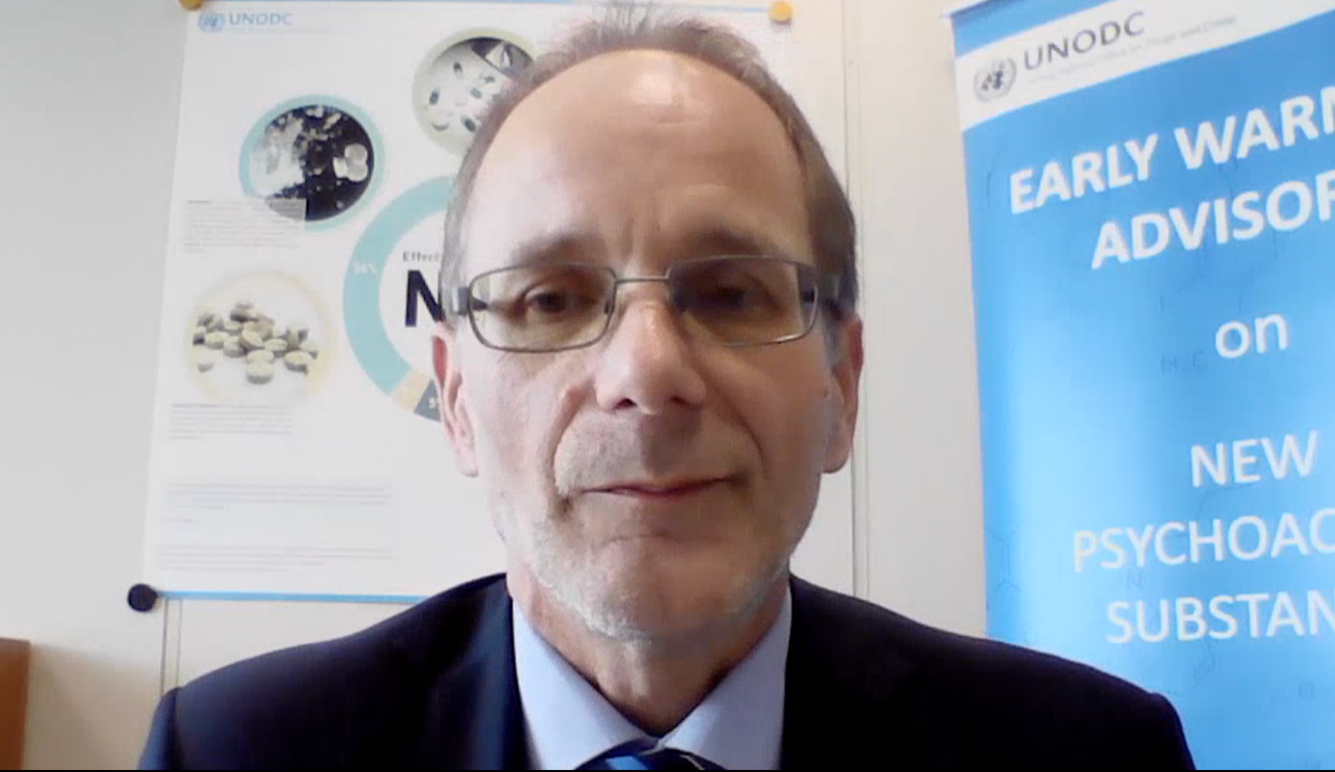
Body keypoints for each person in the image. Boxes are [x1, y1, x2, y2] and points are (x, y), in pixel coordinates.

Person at [140, 8, 1195, 770]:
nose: (646, 373)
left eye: (732, 292)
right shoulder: (237, 750)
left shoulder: (1085, 752)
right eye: (549, 300)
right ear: (456, 398)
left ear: (841, 381)